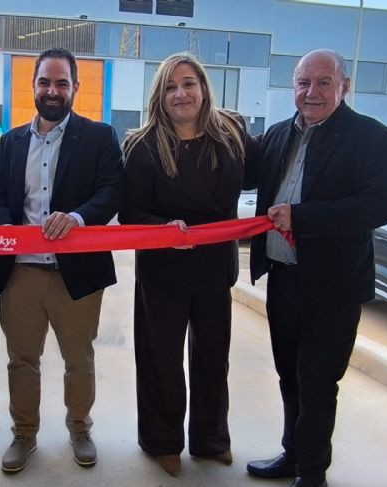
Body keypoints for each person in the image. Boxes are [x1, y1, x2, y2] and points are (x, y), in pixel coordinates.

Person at [244, 49, 387, 487]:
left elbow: (380, 206)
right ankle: (292, 455)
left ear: (344, 87)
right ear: (293, 86)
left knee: (317, 383)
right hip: (283, 279)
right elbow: (242, 177)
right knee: (288, 376)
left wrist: (303, 217)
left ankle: (312, 474)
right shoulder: (277, 135)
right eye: (303, 83)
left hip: (334, 288)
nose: (311, 92)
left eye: (323, 82)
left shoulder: (373, 139)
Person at [0, 47, 124, 473]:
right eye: (45, 82)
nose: (52, 90)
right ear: (33, 86)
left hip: (76, 274)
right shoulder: (11, 142)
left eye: (62, 83)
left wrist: (78, 217)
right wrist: (4, 226)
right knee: (22, 360)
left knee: (78, 360)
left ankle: (80, 429)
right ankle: (24, 434)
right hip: (21, 272)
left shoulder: (99, 137)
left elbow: (111, 192)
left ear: (75, 87)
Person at [118, 52, 257, 477]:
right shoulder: (142, 146)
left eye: (188, 84)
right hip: (164, 271)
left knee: (213, 358)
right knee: (160, 360)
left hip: (215, 269)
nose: (181, 94)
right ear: (159, 97)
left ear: (203, 88)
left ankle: (211, 439)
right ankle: (162, 441)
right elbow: (129, 213)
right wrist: (162, 228)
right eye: (171, 87)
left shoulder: (232, 135)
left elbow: (263, 176)